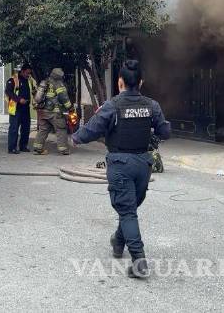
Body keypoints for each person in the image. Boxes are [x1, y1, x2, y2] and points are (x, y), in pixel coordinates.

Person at [72, 60, 170, 278]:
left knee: (127, 211)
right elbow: (165, 132)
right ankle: (118, 242)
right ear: (141, 82)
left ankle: (139, 262)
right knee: (130, 209)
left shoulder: (112, 106)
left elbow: (92, 129)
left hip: (120, 165)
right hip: (143, 165)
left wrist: (75, 138)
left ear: (119, 82)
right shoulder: (152, 106)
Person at [33, 68, 73, 156]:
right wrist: (70, 107)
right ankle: (63, 149)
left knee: (43, 130)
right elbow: (63, 98)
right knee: (61, 129)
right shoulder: (58, 84)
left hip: (42, 111)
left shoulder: (45, 82)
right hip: (55, 112)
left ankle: (37, 148)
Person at [5, 63, 36, 154]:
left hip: (26, 108)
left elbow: (33, 91)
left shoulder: (29, 80)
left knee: (26, 127)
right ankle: (12, 148)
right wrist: (19, 99)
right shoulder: (13, 80)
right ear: (22, 71)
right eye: (27, 73)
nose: (28, 75)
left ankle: (23, 146)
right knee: (14, 128)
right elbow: (8, 92)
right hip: (15, 108)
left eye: (29, 73)